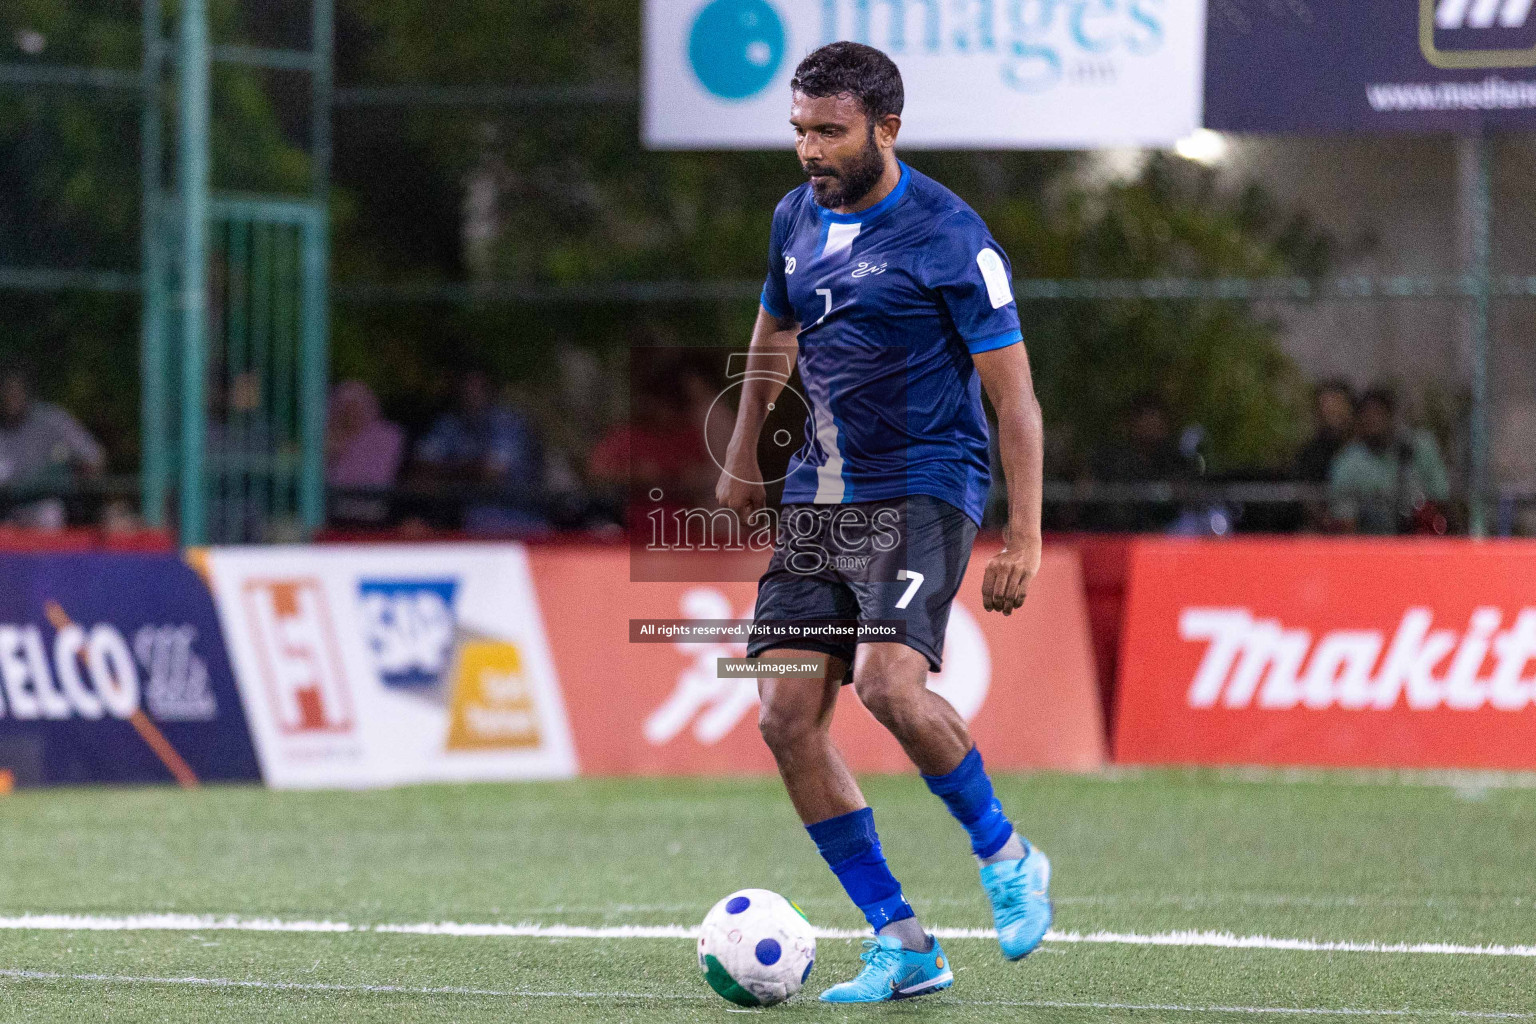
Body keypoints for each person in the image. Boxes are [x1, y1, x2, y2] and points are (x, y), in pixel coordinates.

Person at [713, 43, 1049, 1003]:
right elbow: (774, 329)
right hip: (823, 496)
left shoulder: (951, 236)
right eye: (800, 130)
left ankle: (1007, 855)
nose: (811, 150)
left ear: (885, 130)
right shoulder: (795, 217)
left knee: (889, 686)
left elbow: (1015, 402)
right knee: (784, 717)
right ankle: (903, 940)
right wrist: (745, 459)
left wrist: (1023, 536)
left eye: (830, 131)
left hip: (925, 485)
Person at [415, 369, 546, 533]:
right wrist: (469, 470)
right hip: (459, 516)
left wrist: (446, 471)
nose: (471, 394)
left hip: (515, 515)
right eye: (466, 388)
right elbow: (421, 468)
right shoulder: (448, 423)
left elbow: (492, 474)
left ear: (491, 391)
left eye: (478, 388)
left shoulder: (508, 423)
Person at [1329, 387, 1450, 535]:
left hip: (1421, 543)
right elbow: (1345, 521)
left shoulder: (1419, 447)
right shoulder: (1347, 463)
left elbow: (1441, 498)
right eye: (1367, 415)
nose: (1373, 420)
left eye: (1379, 413)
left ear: (1392, 416)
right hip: (1372, 546)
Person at [0, 363, 105, 529]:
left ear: (27, 392)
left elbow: (94, 458)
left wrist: (66, 472)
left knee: (49, 512)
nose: (11, 397)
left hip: (48, 508)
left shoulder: (52, 420)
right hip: (7, 510)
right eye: (6, 392)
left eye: (16, 391)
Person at [1088, 394, 1195, 531]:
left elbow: (1188, 497)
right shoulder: (1111, 459)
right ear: (1132, 423)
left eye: (1156, 418)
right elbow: (1089, 494)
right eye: (1146, 417)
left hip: (1165, 536)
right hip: (1114, 535)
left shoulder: (1176, 460)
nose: (1151, 424)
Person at [326, 380, 405, 527]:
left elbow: (376, 477)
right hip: (334, 508)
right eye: (344, 407)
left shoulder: (388, 435)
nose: (350, 412)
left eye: (355, 405)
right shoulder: (328, 437)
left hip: (375, 506)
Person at [1294, 380, 1355, 531]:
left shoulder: (1365, 450)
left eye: (1337, 404)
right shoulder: (1309, 453)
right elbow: (1305, 493)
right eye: (1326, 405)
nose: (1331, 411)